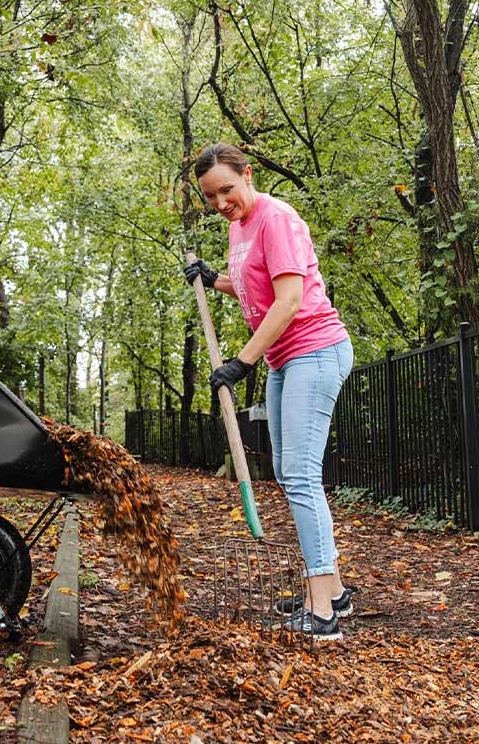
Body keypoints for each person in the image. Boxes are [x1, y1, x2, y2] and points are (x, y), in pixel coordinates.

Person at [185, 142, 355, 642]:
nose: (220, 203)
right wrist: (216, 279)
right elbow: (254, 286)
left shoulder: (277, 218)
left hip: (315, 351)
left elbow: (288, 301)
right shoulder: (240, 227)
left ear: (248, 175)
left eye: (227, 190)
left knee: (301, 476)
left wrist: (241, 362)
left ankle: (321, 609)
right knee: (288, 472)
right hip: (286, 358)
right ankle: (336, 590)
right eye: (211, 197)